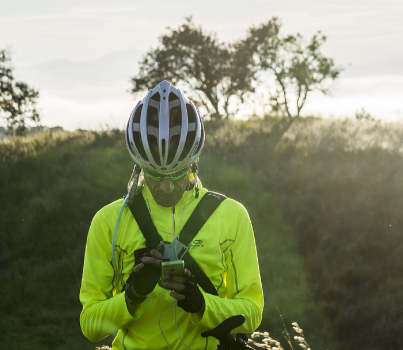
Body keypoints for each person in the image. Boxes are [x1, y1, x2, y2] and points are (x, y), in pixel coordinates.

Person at [79, 80, 264, 349]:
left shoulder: (231, 215)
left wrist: (201, 304)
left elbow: (253, 312)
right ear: (139, 166)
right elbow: (90, 326)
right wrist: (132, 296)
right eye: (154, 174)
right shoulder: (108, 222)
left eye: (177, 173)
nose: (167, 186)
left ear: (194, 162)